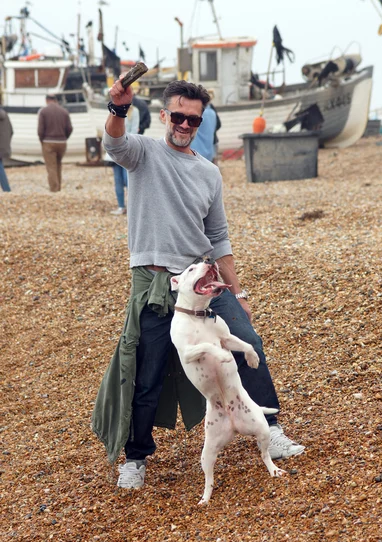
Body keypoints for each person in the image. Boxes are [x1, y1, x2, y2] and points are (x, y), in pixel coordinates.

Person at [92, 79, 305, 490]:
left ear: (200, 121)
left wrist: (238, 294)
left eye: (193, 118)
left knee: (248, 344)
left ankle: (270, 429)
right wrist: (118, 110)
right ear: (164, 115)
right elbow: (113, 145)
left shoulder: (209, 172)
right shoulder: (144, 152)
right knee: (146, 368)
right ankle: (136, 458)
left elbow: (219, 237)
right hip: (154, 281)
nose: (185, 124)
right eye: (179, 116)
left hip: (203, 281)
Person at [108, 103, 140, 215]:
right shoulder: (113, 110)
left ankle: (132, 207)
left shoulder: (134, 111)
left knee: (128, 180)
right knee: (118, 180)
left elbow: (134, 131)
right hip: (115, 150)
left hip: (127, 150)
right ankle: (121, 206)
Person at [38, 94, 73, 192]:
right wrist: (65, 137)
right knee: (58, 164)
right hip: (62, 142)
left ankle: (54, 189)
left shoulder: (43, 111)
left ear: (46, 100)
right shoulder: (64, 111)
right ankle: (59, 187)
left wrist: (41, 140)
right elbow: (69, 128)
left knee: (51, 166)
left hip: (48, 141)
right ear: (55, 100)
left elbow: (40, 130)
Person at [0, 108, 13, 192]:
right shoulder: (5, 114)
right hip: (3, 146)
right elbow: (11, 131)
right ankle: (6, 189)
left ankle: (6, 189)